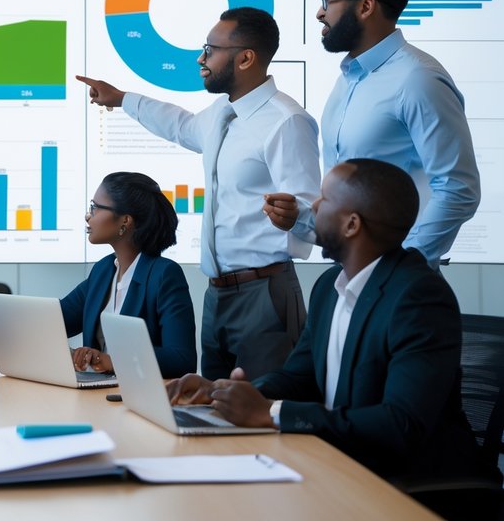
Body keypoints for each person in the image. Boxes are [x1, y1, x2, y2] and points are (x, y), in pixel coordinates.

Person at [168, 159, 493, 486]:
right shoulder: (329, 287)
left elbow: (400, 425)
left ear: (352, 224)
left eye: (325, 198)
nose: (315, 206)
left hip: (410, 480)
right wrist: (228, 393)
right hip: (336, 459)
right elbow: (299, 377)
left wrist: (270, 413)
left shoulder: (419, 298)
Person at [77, 7, 319, 380]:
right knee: (212, 411)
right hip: (217, 295)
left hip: (264, 294)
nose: (200, 58)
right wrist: (122, 99)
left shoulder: (286, 122)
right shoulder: (225, 111)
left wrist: (296, 215)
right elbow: (183, 126)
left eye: (210, 49)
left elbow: (313, 214)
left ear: (245, 58)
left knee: (259, 415)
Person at [264, 0, 480, 268]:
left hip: (397, 289)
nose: (319, 14)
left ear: (366, 6)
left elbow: (458, 188)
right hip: (347, 275)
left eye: (328, 1)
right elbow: (350, 206)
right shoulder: (348, 81)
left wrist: (401, 267)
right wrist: (301, 218)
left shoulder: (418, 79)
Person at [61, 171, 196, 379]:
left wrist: (109, 360)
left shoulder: (164, 275)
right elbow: (59, 320)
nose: (89, 215)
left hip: (139, 398)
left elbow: (182, 359)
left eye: (95, 208)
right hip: (95, 394)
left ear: (125, 221)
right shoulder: (103, 271)